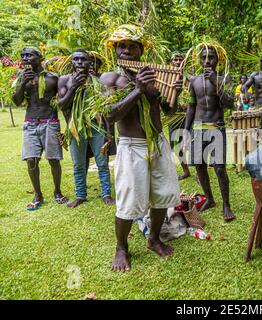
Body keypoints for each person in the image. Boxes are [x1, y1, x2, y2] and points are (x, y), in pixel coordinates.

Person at [101, 25, 182, 271]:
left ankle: (154, 238)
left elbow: (167, 111)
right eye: (122, 46)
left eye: (132, 46)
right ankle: (121, 248)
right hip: (131, 146)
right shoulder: (110, 79)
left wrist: (174, 94)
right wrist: (137, 89)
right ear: (115, 50)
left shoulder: (153, 76)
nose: (127, 50)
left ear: (140, 51)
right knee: (129, 201)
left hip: (157, 142)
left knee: (163, 196)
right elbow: (110, 115)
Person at [12, 46, 68, 210]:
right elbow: (16, 101)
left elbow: (63, 103)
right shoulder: (22, 76)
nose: (25, 58)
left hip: (50, 122)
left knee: (54, 160)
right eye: (23, 56)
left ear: (40, 57)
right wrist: (23, 83)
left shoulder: (53, 78)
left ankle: (57, 192)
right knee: (31, 160)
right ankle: (38, 195)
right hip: (30, 123)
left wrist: (68, 127)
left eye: (29, 55)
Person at [184, 44, 236, 221]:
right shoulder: (194, 81)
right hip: (198, 128)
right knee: (199, 166)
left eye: (211, 57)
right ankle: (210, 199)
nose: (207, 61)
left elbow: (230, 103)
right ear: (199, 60)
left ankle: (226, 204)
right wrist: (185, 131)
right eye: (204, 57)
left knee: (220, 169)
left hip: (217, 127)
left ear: (217, 60)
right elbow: (191, 107)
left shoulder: (224, 79)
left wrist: (216, 82)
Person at [58, 49, 114, 208]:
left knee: (102, 162)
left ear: (90, 62)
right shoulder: (64, 80)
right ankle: (81, 195)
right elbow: (61, 105)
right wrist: (73, 87)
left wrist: (108, 133)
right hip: (76, 128)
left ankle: (106, 194)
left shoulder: (98, 82)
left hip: (97, 127)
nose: (80, 62)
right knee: (78, 164)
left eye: (84, 59)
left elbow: (105, 109)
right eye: (76, 59)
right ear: (72, 62)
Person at [167, 51, 191, 180]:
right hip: (174, 115)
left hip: (189, 115)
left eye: (180, 59)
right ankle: (186, 170)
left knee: (190, 143)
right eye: (175, 60)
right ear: (171, 62)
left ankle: (200, 169)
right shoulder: (166, 77)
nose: (177, 62)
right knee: (175, 145)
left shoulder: (190, 78)